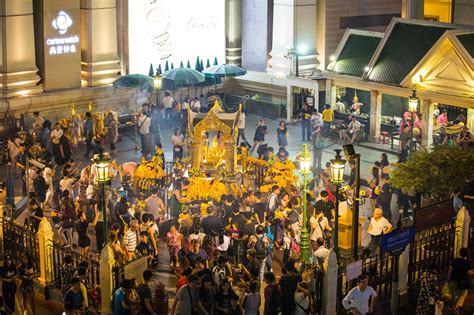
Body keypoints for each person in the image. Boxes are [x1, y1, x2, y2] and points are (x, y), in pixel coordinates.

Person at [447, 247, 472, 313]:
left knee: (454, 294)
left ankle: (454, 307)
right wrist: (470, 280)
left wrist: (448, 279)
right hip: (462, 282)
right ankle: (457, 306)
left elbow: (450, 270)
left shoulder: (454, 260)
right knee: (463, 294)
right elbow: (469, 273)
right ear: (466, 255)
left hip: (453, 280)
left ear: (459, 252)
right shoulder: (466, 263)